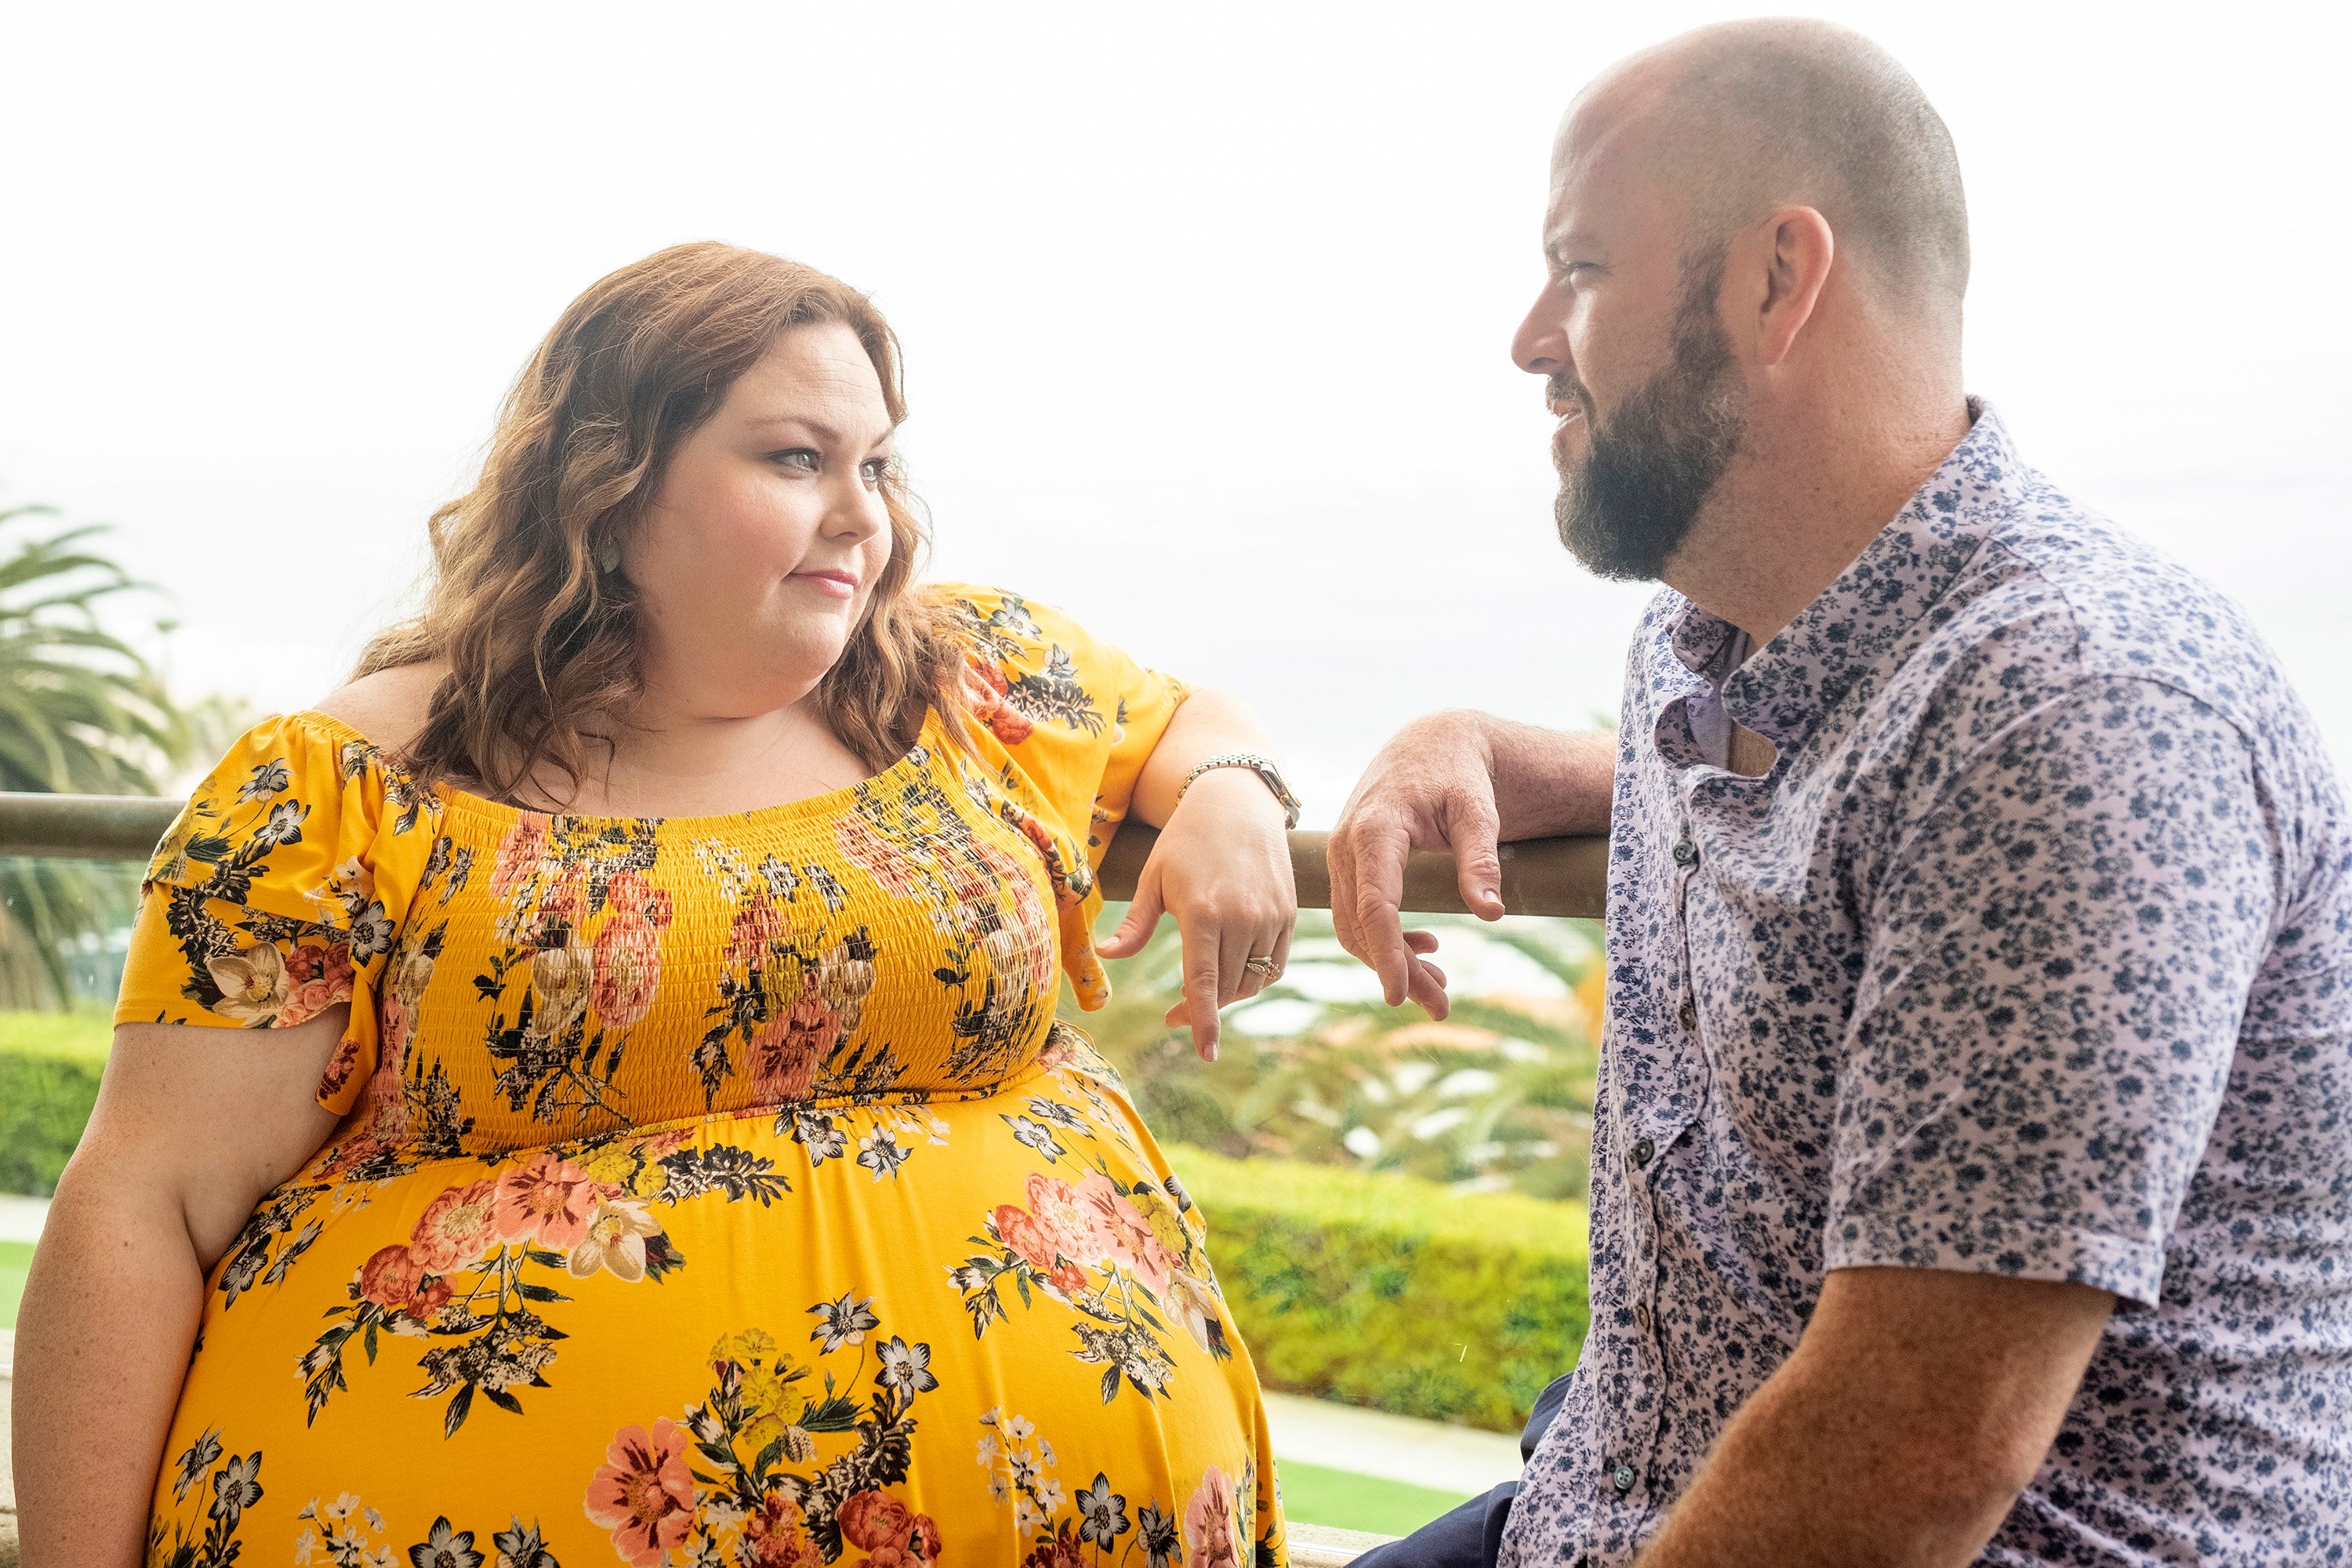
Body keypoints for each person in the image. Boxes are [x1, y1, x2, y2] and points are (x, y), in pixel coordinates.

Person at [14, 243, 1299, 1566]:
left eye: (877, 464)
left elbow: (1186, 717)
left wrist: (1234, 792)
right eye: (798, 459)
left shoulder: (967, 681)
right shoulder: (346, 794)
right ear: (611, 485)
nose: (867, 516)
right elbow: (148, 1204)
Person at [1331, 19, 2350, 1568]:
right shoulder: (1736, 636)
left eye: (1582, 266)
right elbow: (1846, 827)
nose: (1532, 335)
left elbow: (1916, 1466)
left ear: (1776, 281)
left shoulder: (2082, 717)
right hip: (1614, 1489)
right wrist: (1492, 747)